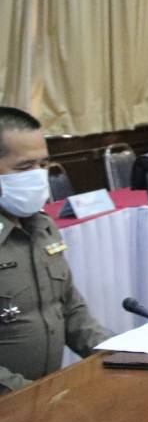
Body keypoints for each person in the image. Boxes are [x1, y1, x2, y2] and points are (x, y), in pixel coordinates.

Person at [0, 107, 111, 392]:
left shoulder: (42, 226)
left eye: (43, 164)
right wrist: (29, 398)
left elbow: (70, 308)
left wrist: (119, 353)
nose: (38, 176)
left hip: (42, 397)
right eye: (24, 167)